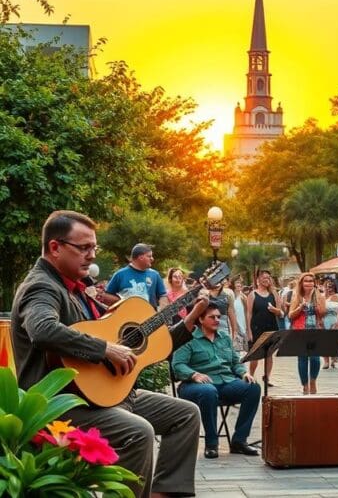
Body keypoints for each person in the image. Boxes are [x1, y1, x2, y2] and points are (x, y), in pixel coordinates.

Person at [11, 210, 209, 498]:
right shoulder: (43, 286)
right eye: (84, 248)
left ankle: (164, 494)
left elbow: (144, 347)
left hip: (101, 396)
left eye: (94, 247)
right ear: (55, 247)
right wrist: (104, 349)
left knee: (185, 414)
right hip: (63, 403)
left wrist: (190, 320)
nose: (91, 256)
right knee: (137, 431)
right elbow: (42, 329)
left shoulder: (78, 288)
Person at [172, 301, 261, 459]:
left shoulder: (224, 337)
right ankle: (211, 444)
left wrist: (243, 373)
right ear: (200, 319)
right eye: (212, 317)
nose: (217, 320)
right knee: (208, 391)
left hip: (225, 382)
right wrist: (194, 375)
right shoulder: (187, 338)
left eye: (219, 317)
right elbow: (177, 365)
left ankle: (239, 441)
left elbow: (235, 362)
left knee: (253, 387)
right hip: (194, 386)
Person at [288, 272, 326, 394]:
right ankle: (305, 385)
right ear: (301, 283)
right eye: (306, 281)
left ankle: (313, 381)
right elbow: (290, 315)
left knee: (315, 359)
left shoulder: (319, 295)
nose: (309, 283)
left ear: (314, 283)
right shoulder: (297, 296)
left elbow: (323, 313)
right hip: (300, 331)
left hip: (315, 330)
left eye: (311, 281)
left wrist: (316, 305)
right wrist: (300, 307)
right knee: (302, 359)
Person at [246, 268, 283, 384]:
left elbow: (281, 313)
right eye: (264, 277)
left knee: (269, 354)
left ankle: (267, 377)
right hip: (256, 327)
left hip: (271, 326)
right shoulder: (253, 294)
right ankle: (250, 376)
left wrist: (274, 310)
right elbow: (249, 313)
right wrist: (249, 331)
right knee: (254, 355)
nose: (266, 280)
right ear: (258, 279)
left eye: (268, 277)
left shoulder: (274, 294)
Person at [105, 243, 168, 309]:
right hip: (126, 318)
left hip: (150, 317)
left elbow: (163, 296)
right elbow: (107, 296)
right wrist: (122, 301)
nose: (152, 259)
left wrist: (162, 311)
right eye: (149, 256)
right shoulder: (120, 274)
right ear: (141, 257)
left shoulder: (155, 275)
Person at [322, 279, 338, 369]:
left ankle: (334, 358)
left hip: (334, 320)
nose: (328, 288)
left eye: (330, 286)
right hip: (323, 320)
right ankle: (326, 361)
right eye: (327, 286)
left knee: (333, 341)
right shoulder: (321, 297)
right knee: (323, 341)